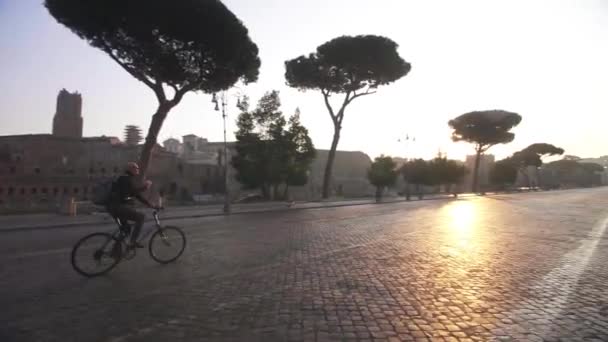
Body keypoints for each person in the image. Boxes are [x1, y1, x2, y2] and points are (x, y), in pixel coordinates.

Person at [106, 162, 159, 248]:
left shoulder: (124, 179)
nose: (137, 170)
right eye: (136, 168)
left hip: (113, 207)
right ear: (130, 169)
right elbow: (133, 193)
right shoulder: (125, 179)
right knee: (141, 217)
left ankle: (115, 252)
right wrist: (144, 187)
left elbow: (135, 194)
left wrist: (150, 204)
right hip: (118, 207)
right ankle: (133, 242)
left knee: (126, 230)